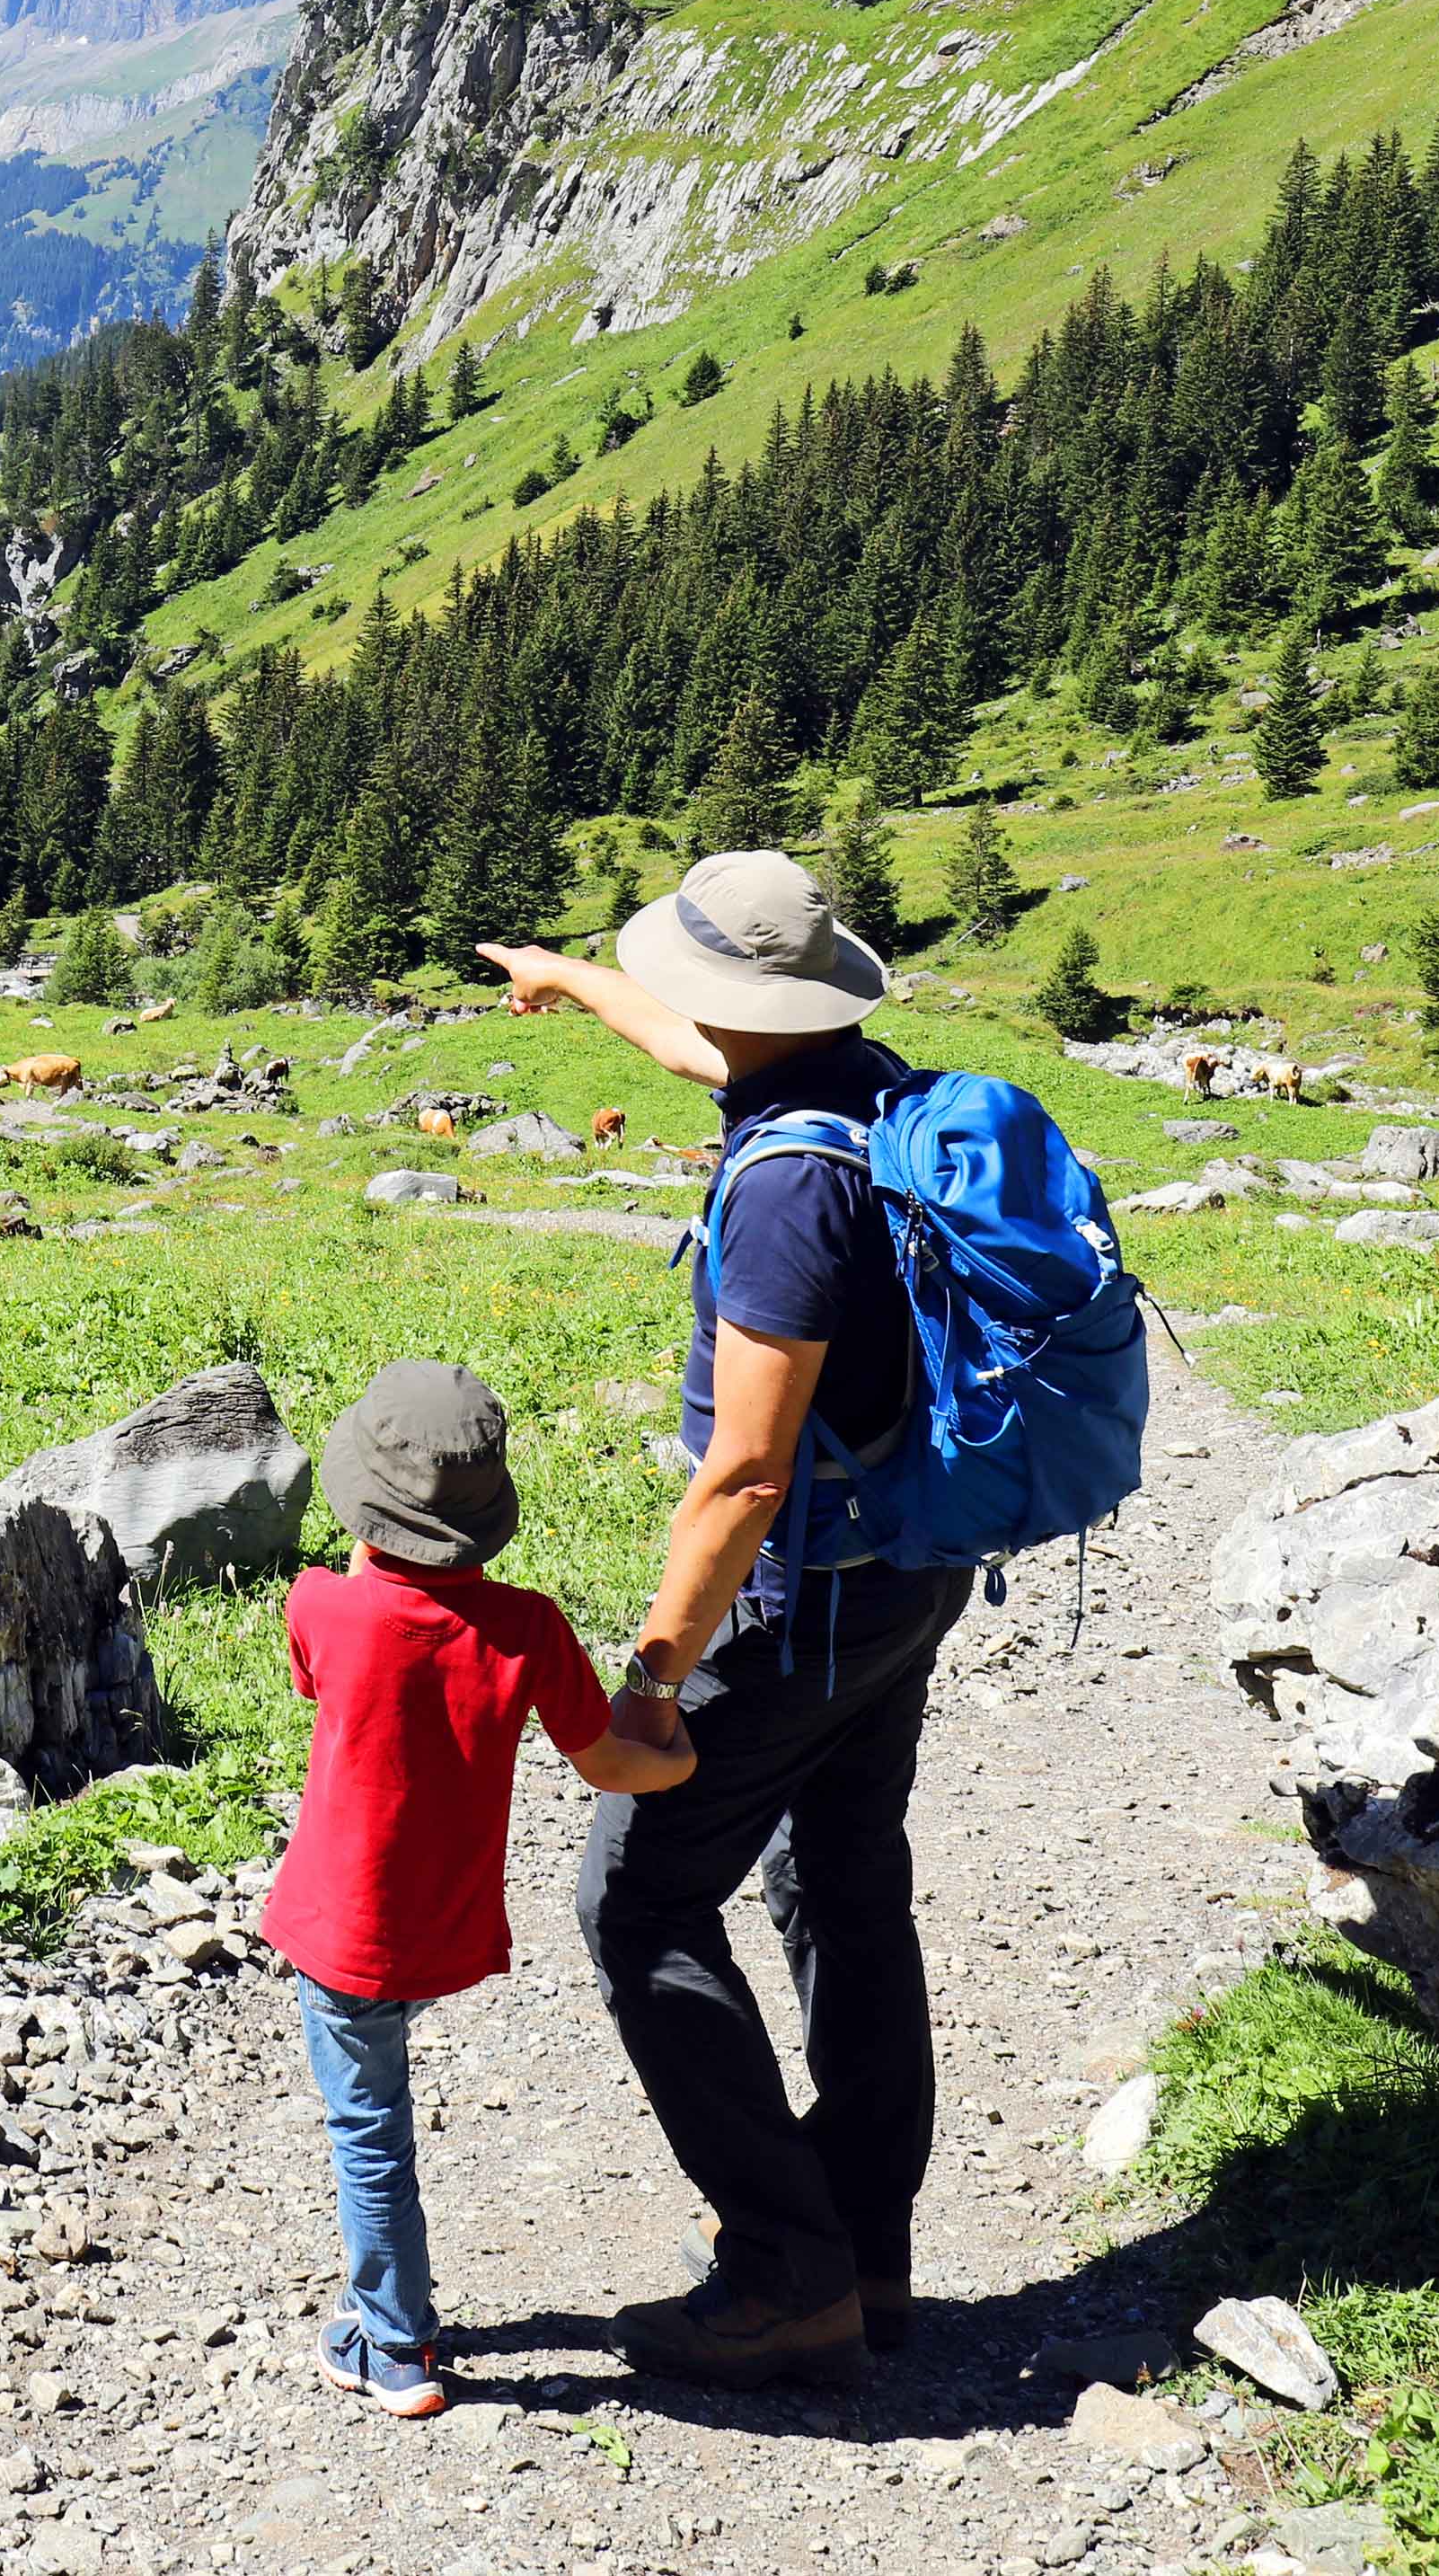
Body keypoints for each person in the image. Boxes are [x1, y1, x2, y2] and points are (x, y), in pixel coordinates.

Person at [477, 845, 960, 2399]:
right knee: (843, 1878)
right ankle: (866, 2250)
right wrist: (568, 980)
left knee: (637, 1899)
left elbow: (745, 1471)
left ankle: (786, 2274)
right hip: (909, 1562)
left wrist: (653, 1679)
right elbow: (696, 1038)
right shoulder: (853, 1080)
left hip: (800, 1598)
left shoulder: (783, 1194)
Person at [259, 1354, 693, 2420]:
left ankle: (395, 2342)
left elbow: (317, 1674)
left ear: (361, 1501)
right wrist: (680, 1758)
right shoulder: (529, 1626)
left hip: (343, 1928)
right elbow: (605, 1761)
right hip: (440, 1925)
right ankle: (386, 2318)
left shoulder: (320, 1603)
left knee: (368, 2128)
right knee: (379, 2108)